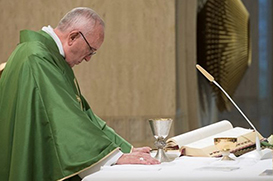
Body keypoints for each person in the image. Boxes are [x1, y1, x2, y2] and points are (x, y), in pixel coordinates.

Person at [0, 7, 159, 181]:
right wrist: (114, 157)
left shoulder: (50, 58)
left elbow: (83, 114)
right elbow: (65, 119)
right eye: (90, 50)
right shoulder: (37, 58)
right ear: (73, 36)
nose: (89, 58)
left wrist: (121, 148)